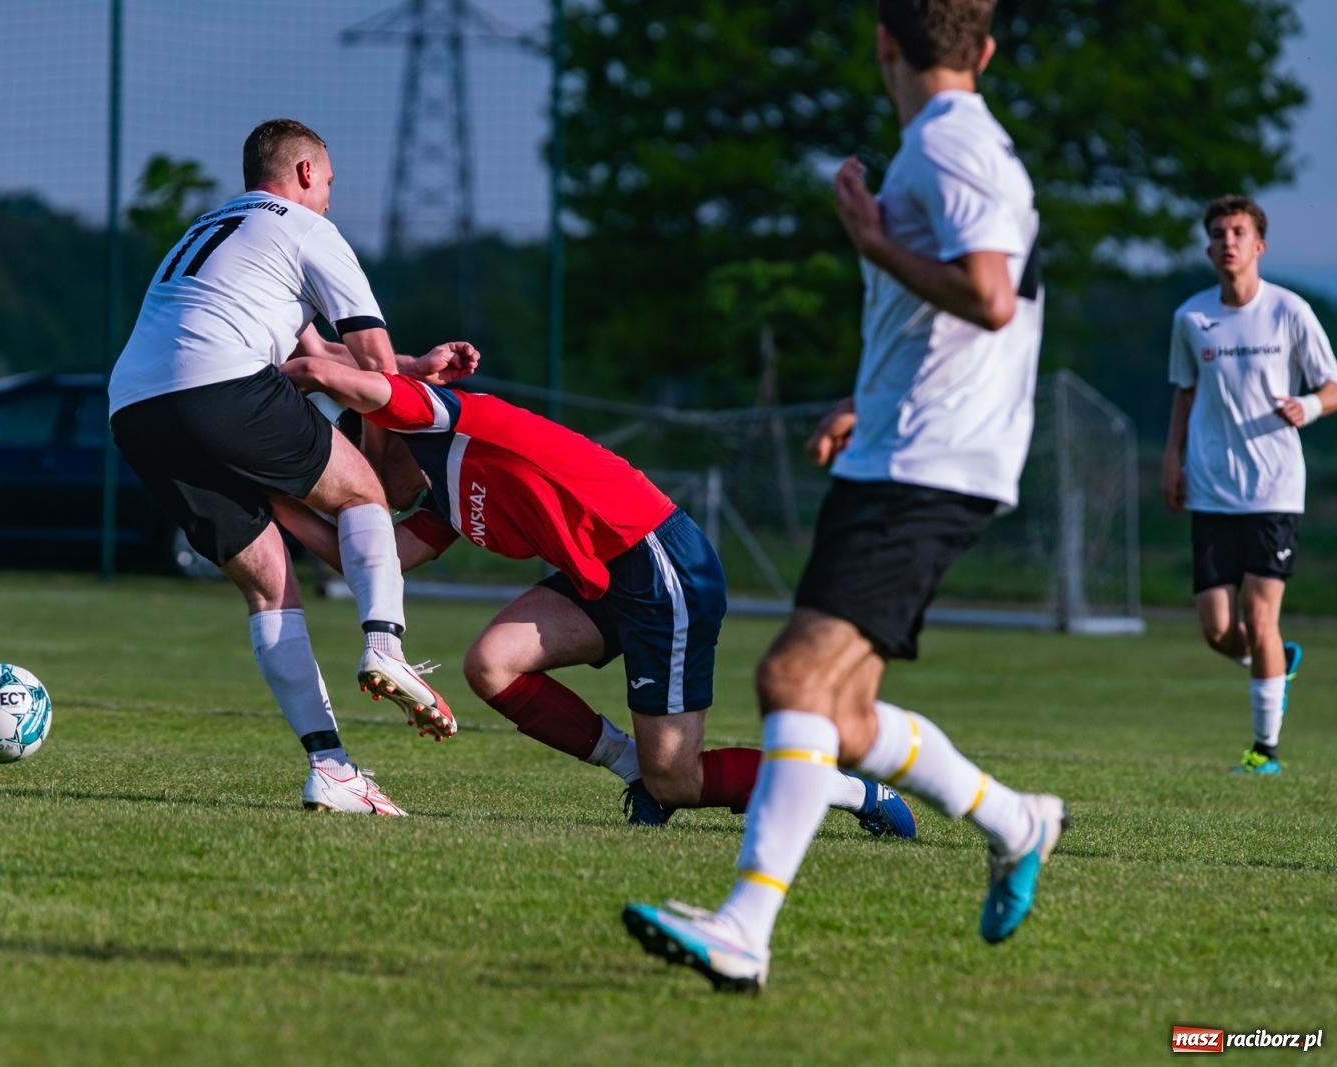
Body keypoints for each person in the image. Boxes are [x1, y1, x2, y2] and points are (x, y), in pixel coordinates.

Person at [621, 0, 1063, 992]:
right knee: (844, 714)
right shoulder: (952, 144)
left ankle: (743, 925)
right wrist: (863, 400)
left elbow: (988, 297)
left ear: (881, 45)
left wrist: (871, 241)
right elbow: (955, 319)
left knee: (790, 680)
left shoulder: (951, 145)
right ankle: (1014, 818)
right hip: (904, 449)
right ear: (984, 50)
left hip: (931, 466)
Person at [275, 356, 918, 837]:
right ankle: (632, 769)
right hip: (601, 581)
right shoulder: (437, 502)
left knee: (682, 777)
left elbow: (374, 386)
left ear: (372, 436)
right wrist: (273, 501)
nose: (348, 482)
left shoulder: (451, 420)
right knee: (491, 664)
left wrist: (299, 372)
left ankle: (851, 793)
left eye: (346, 462)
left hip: (661, 564)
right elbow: (360, 554)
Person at [107, 118, 477, 817]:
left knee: (270, 583)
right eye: (331, 183)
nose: (332, 200)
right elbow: (367, 362)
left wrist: (415, 366)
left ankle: (332, 767)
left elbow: (314, 349)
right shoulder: (309, 230)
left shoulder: (218, 227)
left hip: (135, 409)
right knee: (363, 492)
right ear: (306, 173)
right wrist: (419, 407)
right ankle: (385, 643)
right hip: (222, 384)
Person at [1161, 195, 1337, 775]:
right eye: (1217, 233)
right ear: (1209, 247)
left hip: (1273, 491)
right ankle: (1275, 661)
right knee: (1218, 631)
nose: (1227, 241)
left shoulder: (1289, 312)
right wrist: (1172, 458)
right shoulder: (1192, 317)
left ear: (1258, 245)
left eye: (1238, 231)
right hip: (1211, 490)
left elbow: (1333, 384)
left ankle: (1264, 752)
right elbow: (1185, 392)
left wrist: (1308, 406)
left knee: (1260, 618)